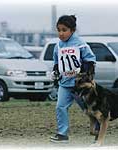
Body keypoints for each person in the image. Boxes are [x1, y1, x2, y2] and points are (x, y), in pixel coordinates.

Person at [49, 15, 96, 143]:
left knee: (88, 108)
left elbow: (91, 60)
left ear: (72, 30)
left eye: (64, 30)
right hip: (64, 83)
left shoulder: (80, 44)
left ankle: (97, 128)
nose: (61, 33)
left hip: (79, 84)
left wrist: (83, 72)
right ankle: (62, 134)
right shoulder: (58, 46)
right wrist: (55, 72)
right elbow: (57, 62)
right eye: (58, 30)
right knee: (60, 107)